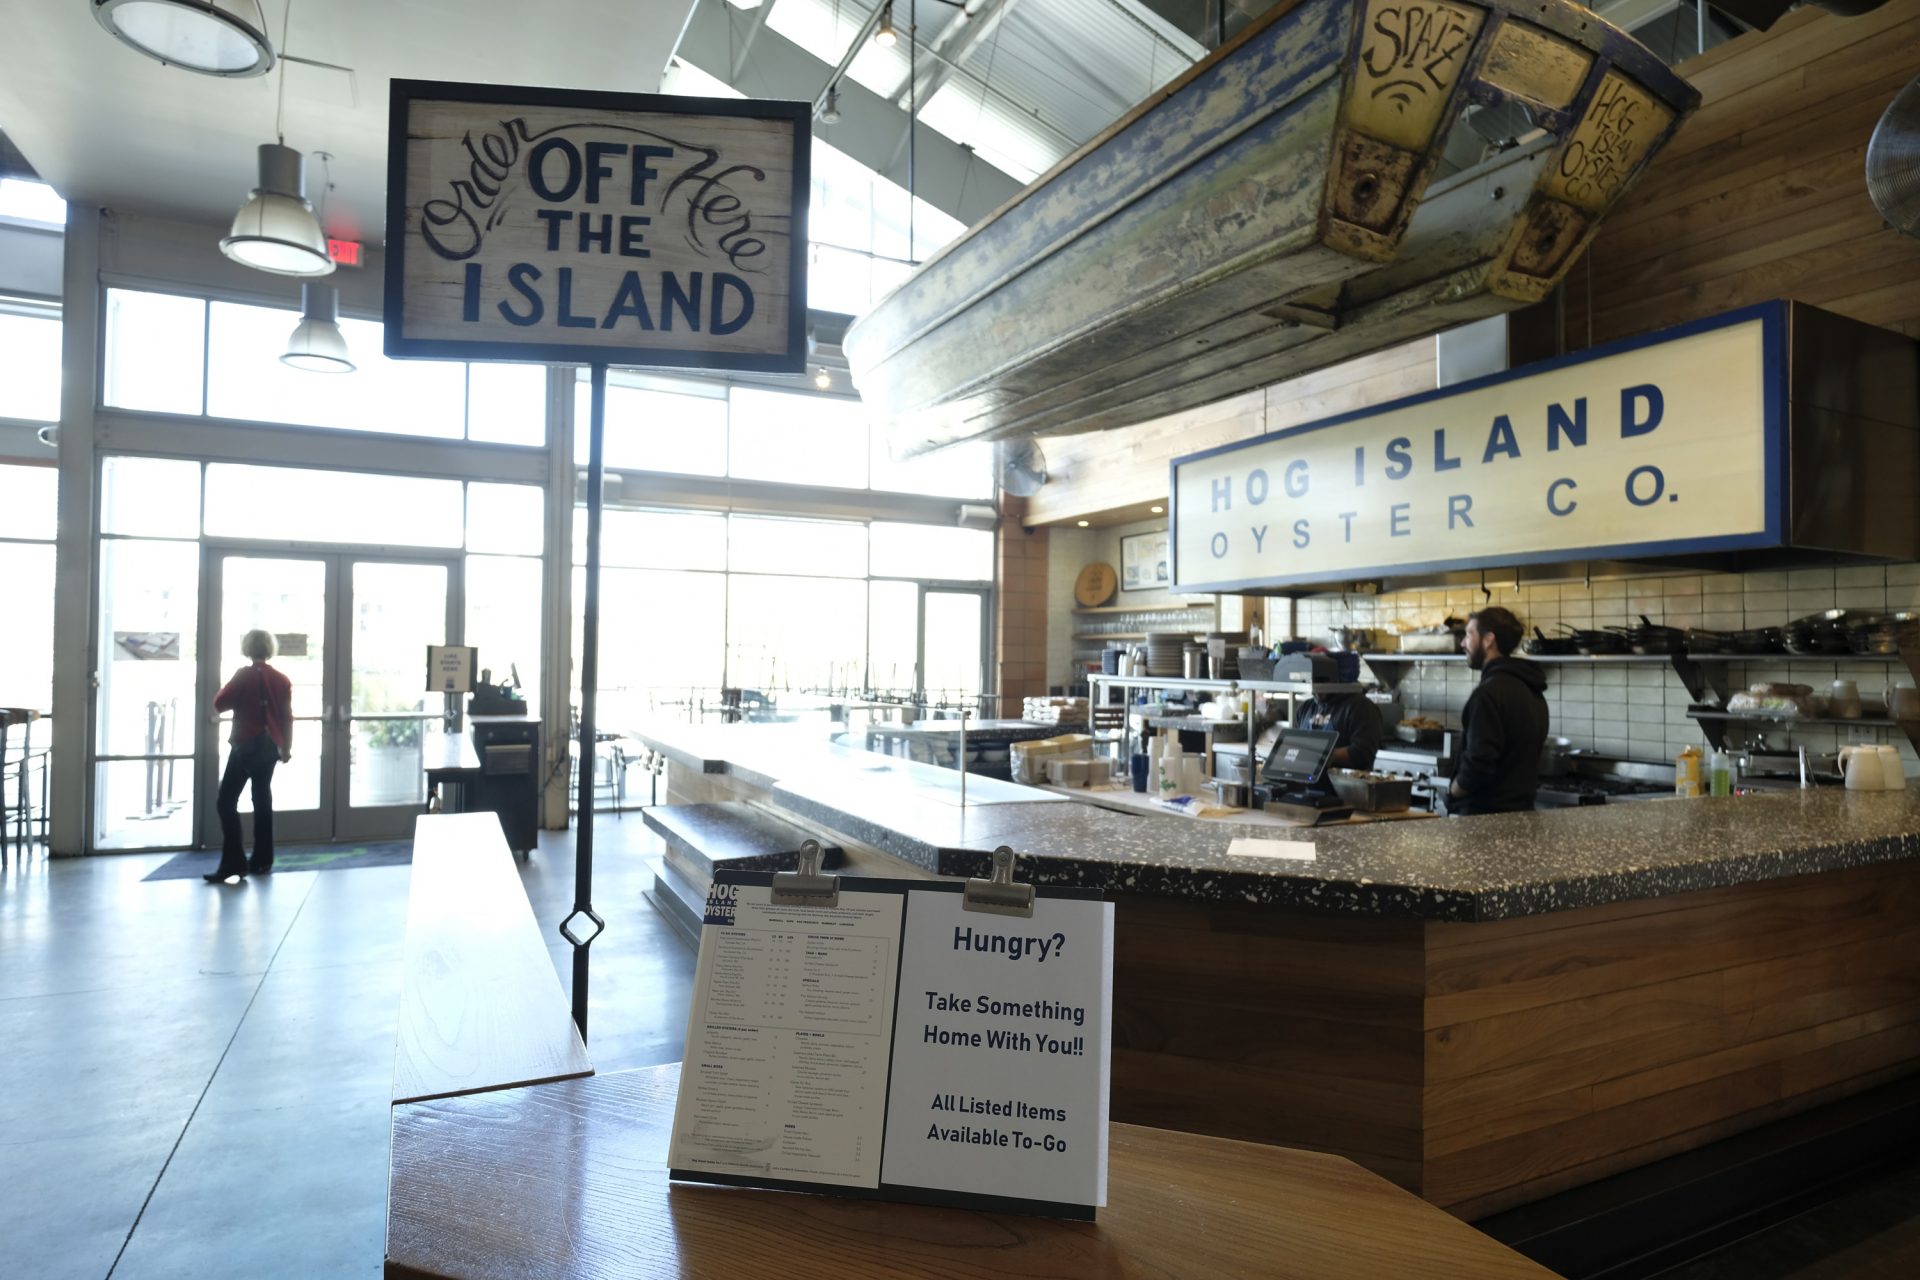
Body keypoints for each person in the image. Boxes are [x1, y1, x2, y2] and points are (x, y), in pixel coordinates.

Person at [207, 629, 293, 883]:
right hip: (270, 746)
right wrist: (286, 747)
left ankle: (234, 862)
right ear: (269, 648)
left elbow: (220, 703)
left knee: (226, 800)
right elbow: (286, 717)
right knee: (262, 800)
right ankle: (262, 860)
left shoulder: (243, 676)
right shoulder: (281, 679)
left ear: (247, 647)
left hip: (246, 744)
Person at [1448, 606, 1550, 816]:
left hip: (1484, 820)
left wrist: (1454, 790)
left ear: (1488, 640)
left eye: (1469, 635)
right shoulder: (1533, 689)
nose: (1463, 643)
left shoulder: (1488, 695)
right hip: (1523, 816)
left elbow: (1479, 762)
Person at [1292, 688, 1383, 770]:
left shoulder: (1362, 708)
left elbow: (1362, 753)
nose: (1317, 692)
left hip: (1344, 785)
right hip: (1306, 784)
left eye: (1323, 684)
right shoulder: (1305, 708)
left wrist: (1321, 755)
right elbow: (1293, 745)